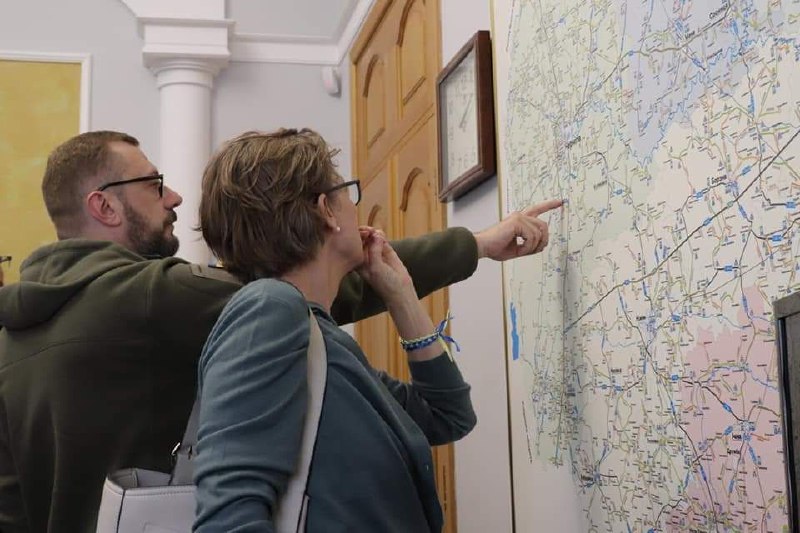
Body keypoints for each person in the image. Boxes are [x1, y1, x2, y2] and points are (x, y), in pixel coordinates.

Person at [0, 130, 561, 533]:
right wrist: (474, 244)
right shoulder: (160, 297)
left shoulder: (12, 337)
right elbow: (296, 281)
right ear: (103, 205)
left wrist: (400, 291)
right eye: (154, 184)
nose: (172, 197)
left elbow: (12, 508)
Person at [193, 128, 475, 531]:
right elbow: (228, 521)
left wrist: (401, 296)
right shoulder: (268, 311)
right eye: (348, 193)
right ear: (326, 210)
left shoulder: (317, 339)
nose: (356, 209)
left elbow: (447, 416)